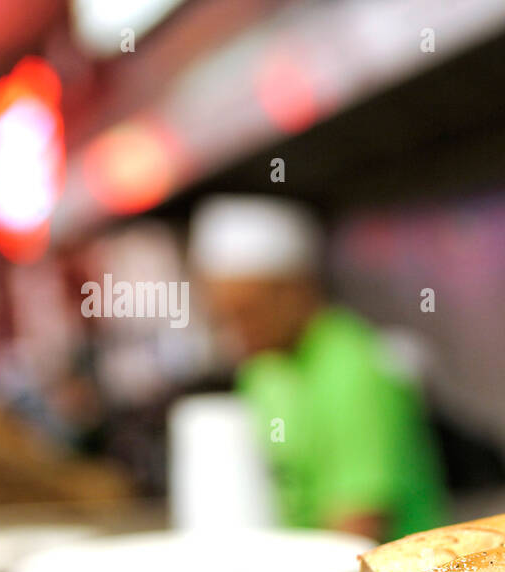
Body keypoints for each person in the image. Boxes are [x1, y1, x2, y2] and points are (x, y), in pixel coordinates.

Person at [189, 195, 447, 541]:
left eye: (247, 313)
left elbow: (359, 529)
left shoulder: (356, 367)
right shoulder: (263, 369)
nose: (235, 333)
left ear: (297, 291)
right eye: (224, 319)